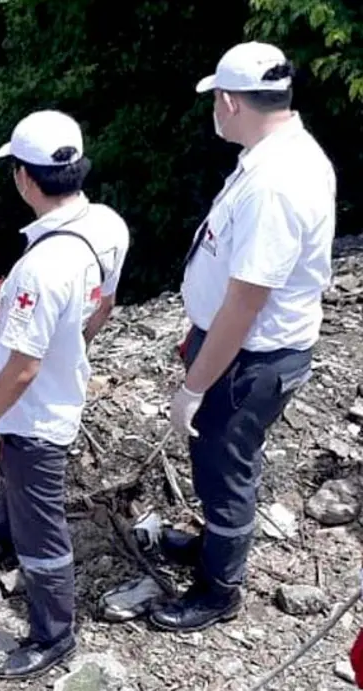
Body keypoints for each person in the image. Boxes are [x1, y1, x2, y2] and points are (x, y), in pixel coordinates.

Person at [152, 41, 335, 632]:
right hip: (242, 347)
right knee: (218, 458)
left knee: (222, 467)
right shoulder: (276, 155)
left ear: (230, 102)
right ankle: (212, 549)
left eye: (216, 101)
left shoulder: (275, 184)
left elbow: (245, 302)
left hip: (251, 357)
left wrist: (195, 384)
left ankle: (218, 590)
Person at [0, 109, 129, 679]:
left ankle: (54, 634)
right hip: (56, 392)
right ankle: (6, 517)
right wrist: (72, 351)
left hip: (33, 415)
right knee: (23, 496)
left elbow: (22, 370)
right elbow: (104, 307)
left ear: (25, 178)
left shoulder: (40, 268)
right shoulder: (107, 226)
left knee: (43, 525)